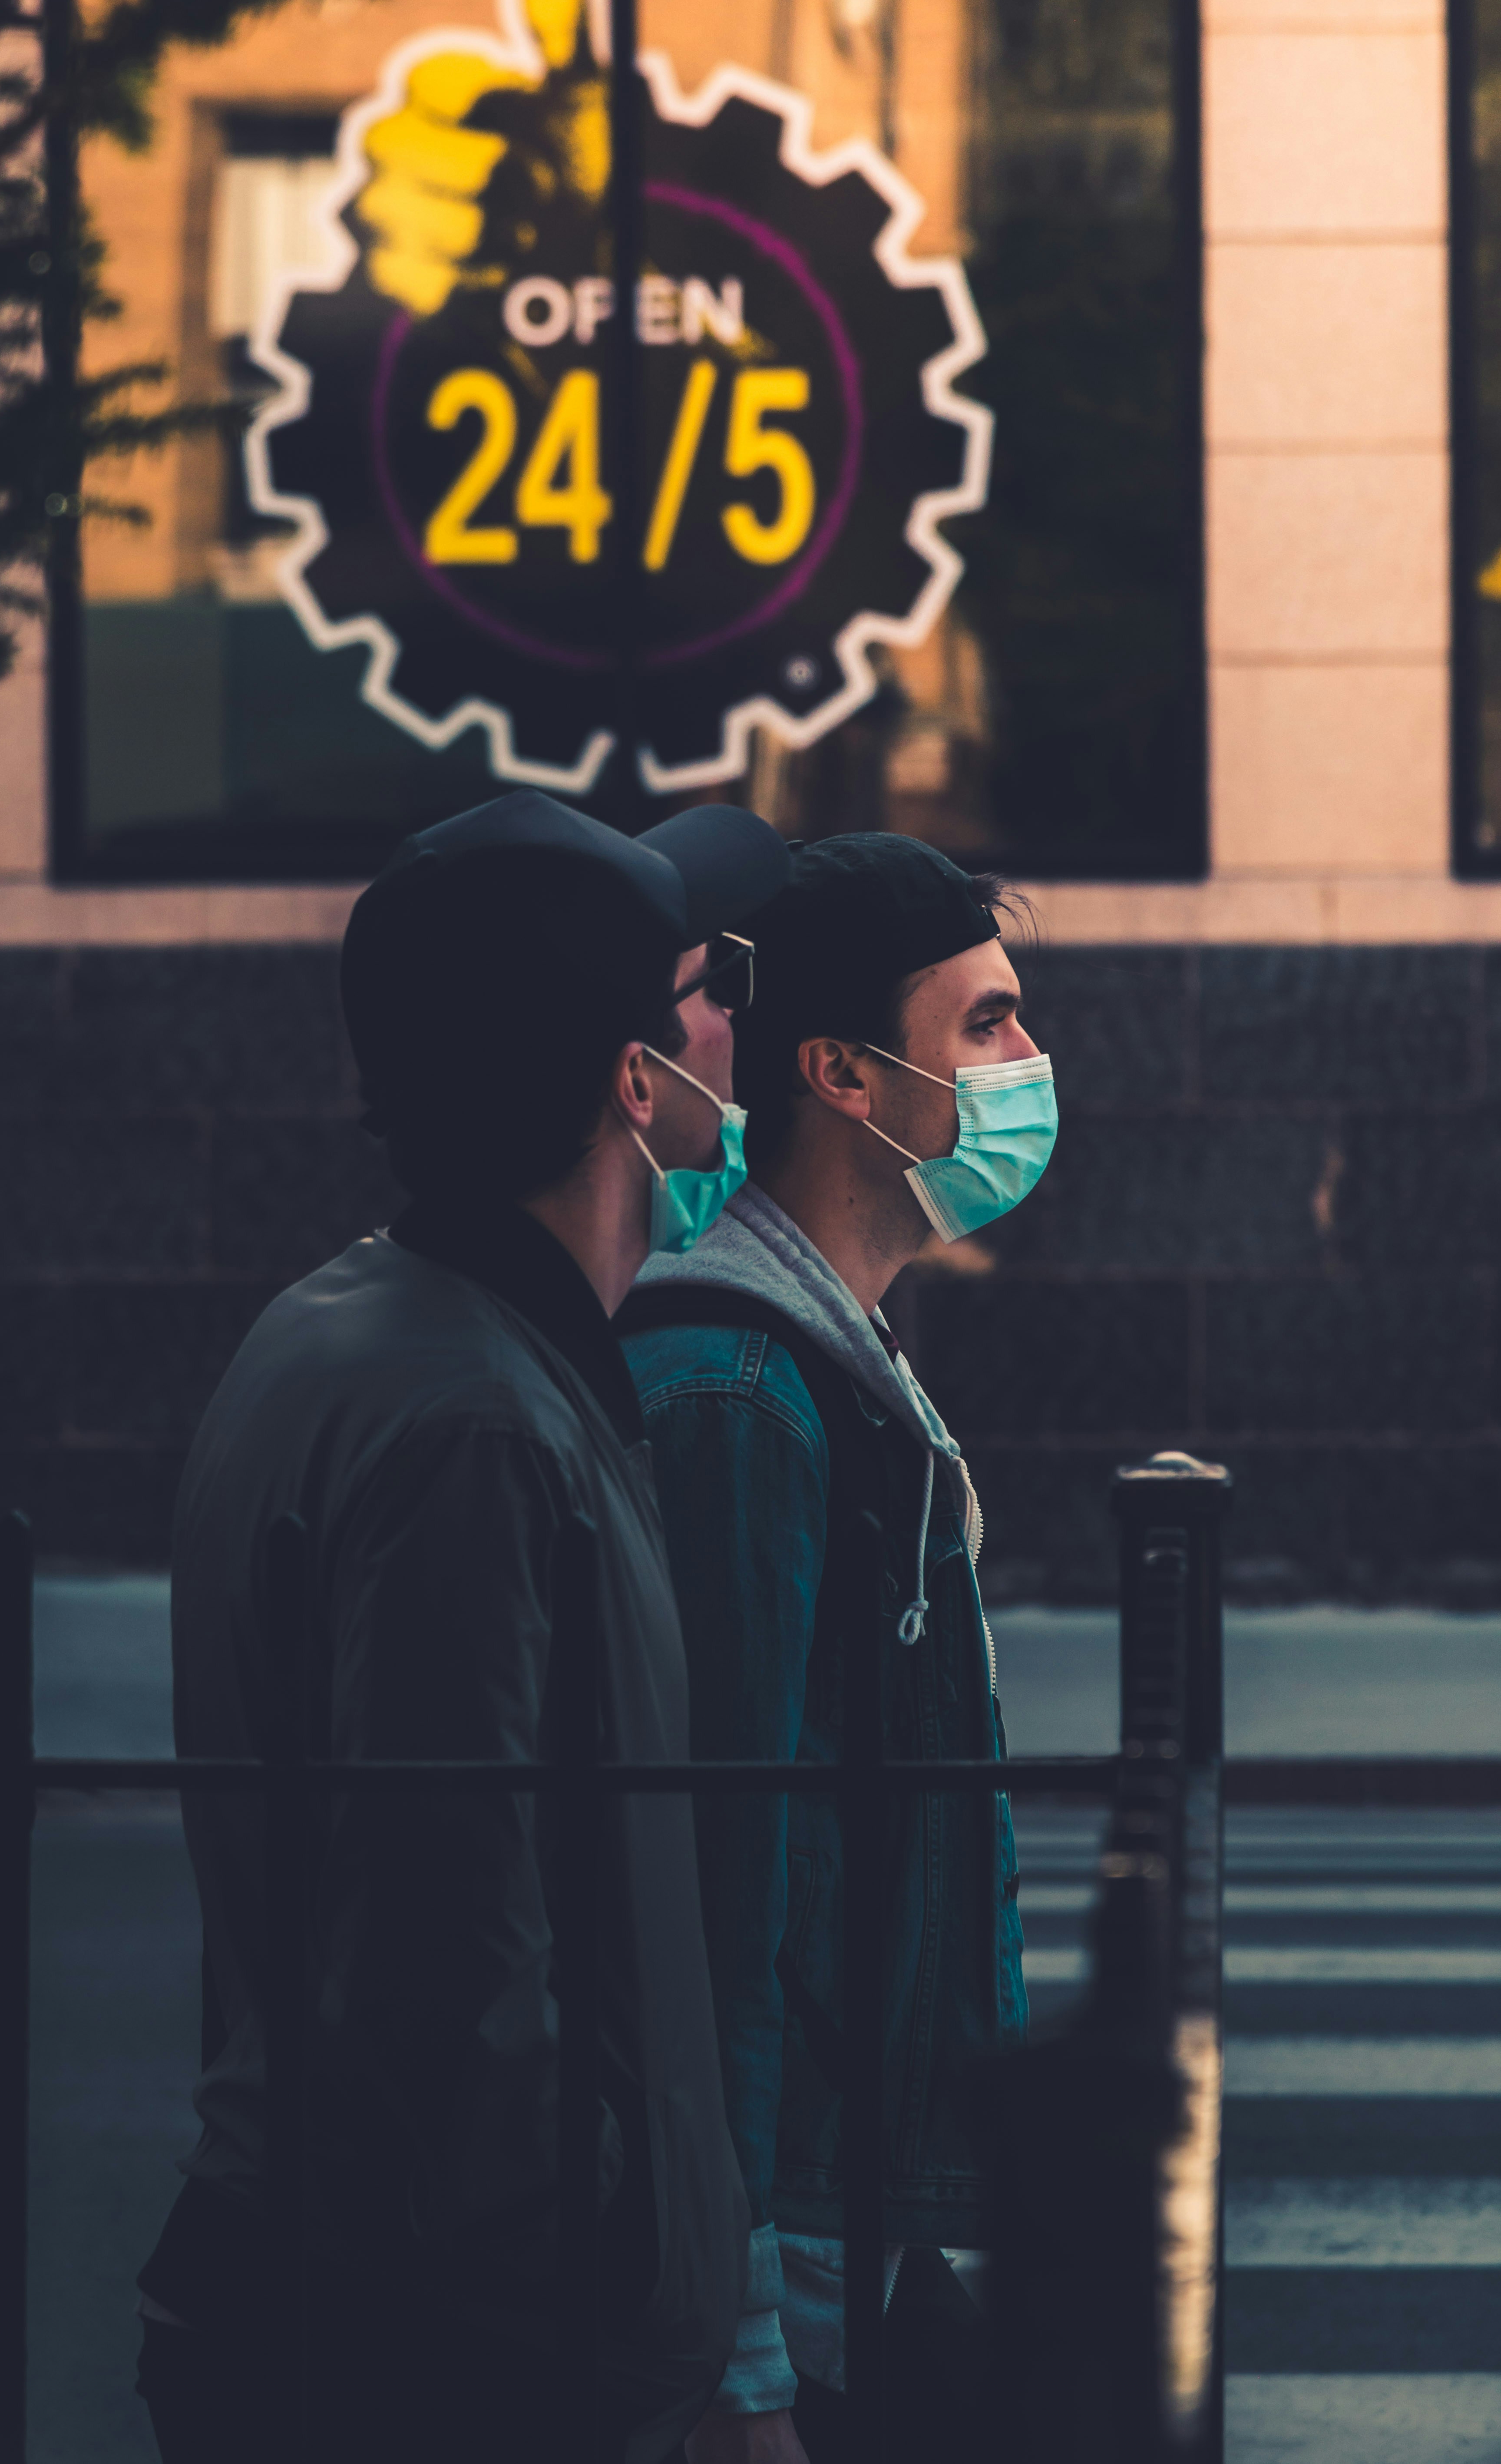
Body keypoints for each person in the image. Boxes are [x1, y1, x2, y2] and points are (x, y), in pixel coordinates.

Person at [136, 787, 790, 2464]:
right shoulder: (473, 1425)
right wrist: (583, 2296)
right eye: (706, 992)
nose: (741, 1025)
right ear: (636, 1080)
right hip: (452, 2353)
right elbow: (453, 1952)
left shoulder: (363, 1330)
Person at [618, 833, 1055, 2464]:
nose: (1029, 1068)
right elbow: (722, 1873)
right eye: (991, 1025)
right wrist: (740, 2347)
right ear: (843, 1076)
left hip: (861, 2205)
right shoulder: (739, 1387)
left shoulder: (827, 1347)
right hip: (798, 2239)